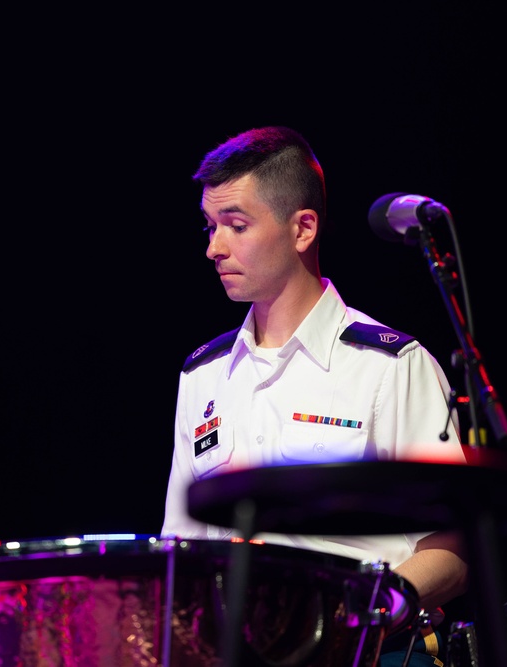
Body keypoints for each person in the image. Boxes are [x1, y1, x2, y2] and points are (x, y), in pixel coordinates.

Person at [160, 126, 470, 666]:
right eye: (210, 227)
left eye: (236, 225)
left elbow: (453, 549)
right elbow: (178, 553)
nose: (213, 247)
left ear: (303, 229)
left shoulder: (388, 365)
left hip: (373, 654)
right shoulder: (202, 376)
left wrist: (355, 614)